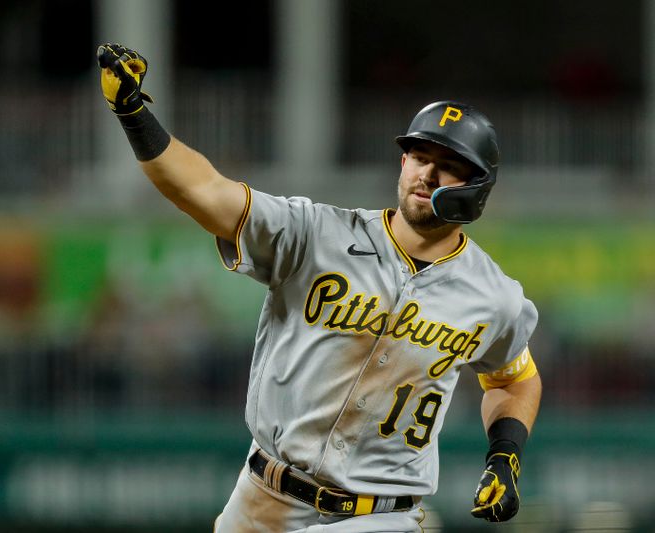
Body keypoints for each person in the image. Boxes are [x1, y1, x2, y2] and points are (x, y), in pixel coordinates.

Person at [97, 44, 542, 533]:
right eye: (418, 155)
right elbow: (203, 191)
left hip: (379, 515)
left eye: (448, 163)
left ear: (478, 185)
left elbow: (514, 377)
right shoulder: (315, 234)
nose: (426, 173)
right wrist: (133, 114)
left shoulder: (494, 295)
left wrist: (506, 455)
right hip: (261, 498)